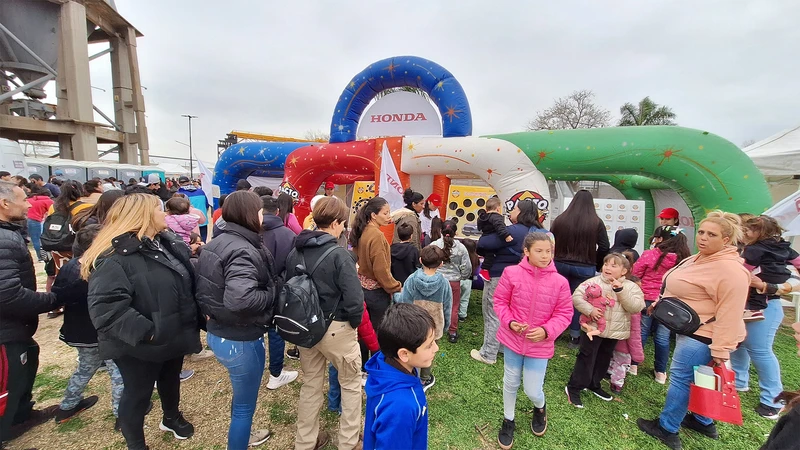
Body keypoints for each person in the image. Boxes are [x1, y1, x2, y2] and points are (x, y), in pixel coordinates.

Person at [83, 193, 202, 450]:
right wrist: (150, 333)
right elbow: (107, 310)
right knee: (137, 394)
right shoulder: (113, 258)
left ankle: (171, 417)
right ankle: (136, 444)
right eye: (160, 210)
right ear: (144, 216)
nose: (166, 214)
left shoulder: (164, 243)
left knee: (170, 379)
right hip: (140, 344)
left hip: (173, 333)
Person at [637, 211, 750, 450]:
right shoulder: (700, 258)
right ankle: (702, 420)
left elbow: (731, 313)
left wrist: (721, 350)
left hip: (704, 336)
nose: (704, 238)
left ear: (727, 240)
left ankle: (667, 428)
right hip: (692, 329)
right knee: (701, 379)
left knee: (681, 380)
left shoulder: (731, 271)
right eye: (701, 232)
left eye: (712, 234)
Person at [194, 190, 275, 449]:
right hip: (239, 338)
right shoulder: (242, 249)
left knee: (241, 399)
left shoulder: (218, 241)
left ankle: (243, 434)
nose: (263, 216)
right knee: (244, 407)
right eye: (260, 211)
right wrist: (273, 292)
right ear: (249, 214)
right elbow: (241, 300)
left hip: (219, 331)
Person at [287, 196, 364, 450]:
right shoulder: (340, 255)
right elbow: (355, 299)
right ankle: (349, 442)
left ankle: (305, 442)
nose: (343, 228)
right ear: (335, 223)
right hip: (337, 328)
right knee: (351, 385)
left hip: (306, 328)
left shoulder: (295, 251)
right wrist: (353, 324)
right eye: (343, 223)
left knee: (310, 384)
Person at [495, 232, 573, 447]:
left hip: (540, 345)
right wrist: (510, 322)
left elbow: (565, 314)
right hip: (512, 340)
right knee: (510, 382)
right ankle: (508, 419)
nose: (545, 255)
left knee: (532, 389)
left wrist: (547, 331)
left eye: (548, 251)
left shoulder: (560, 282)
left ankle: (540, 407)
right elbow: (500, 301)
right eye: (539, 251)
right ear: (526, 252)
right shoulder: (511, 273)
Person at [0, 180, 62, 446]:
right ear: (4, 204)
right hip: (6, 330)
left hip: (15, 327)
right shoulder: (3, 239)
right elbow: (7, 294)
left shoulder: (8, 233)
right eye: (23, 199)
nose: (28, 204)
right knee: (8, 382)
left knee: (25, 365)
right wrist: (55, 300)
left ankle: (21, 416)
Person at [53, 225, 124, 427]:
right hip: (102, 332)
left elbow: (58, 295)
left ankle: (67, 406)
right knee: (118, 372)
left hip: (79, 333)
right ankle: (123, 415)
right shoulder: (98, 269)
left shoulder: (69, 266)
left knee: (84, 368)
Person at [731, 215, 800, 419]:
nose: (744, 233)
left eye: (749, 230)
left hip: (765, 307)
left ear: (760, 232)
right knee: (739, 343)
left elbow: (741, 272)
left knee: (760, 351)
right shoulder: (782, 248)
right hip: (744, 305)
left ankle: (773, 399)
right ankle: (739, 381)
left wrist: (773, 285)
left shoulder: (754, 251)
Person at [471, 199, 548, 365]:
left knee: (493, 312)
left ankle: (488, 353)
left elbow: (483, 243)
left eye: (514, 209)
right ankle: (503, 346)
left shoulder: (512, 231)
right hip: (523, 279)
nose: (511, 212)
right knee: (510, 313)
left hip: (499, 276)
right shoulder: (539, 233)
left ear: (521, 212)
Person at [565, 253, 644, 407]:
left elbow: (636, 307)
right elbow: (576, 297)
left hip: (614, 330)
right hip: (592, 327)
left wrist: (621, 291)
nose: (607, 268)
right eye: (606, 264)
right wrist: (590, 310)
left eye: (613, 265)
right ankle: (574, 386)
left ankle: (594, 383)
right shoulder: (593, 282)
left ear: (624, 271)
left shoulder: (630, 287)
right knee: (587, 356)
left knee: (604, 357)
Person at [363, 303, 438, 450]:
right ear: (404, 354)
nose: (436, 348)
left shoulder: (385, 364)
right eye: (429, 345)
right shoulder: (401, 407)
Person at [550, 190, 610, 348]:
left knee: (557, 299)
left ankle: (553, 331)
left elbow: (551, 241)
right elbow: (605, 246)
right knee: (579, 301)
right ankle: (575, 335)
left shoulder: (560, 220)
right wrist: (596, 262)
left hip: (559, 264)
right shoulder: (596, 222)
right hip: (584, 266)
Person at [632, 226, 690, 384]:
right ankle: (660, 372)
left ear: (662, 239)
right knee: (663, 337)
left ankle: (633, 365)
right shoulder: (684, 260)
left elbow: (636, 273)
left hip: (646, 298)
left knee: (641, 332)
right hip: (670, 302)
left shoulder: (650, 255)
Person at [350, 197, 402, 368]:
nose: (389, 216)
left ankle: (364, 364)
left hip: (361, 287)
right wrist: (394, 286)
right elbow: (381, 270)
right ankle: (377, 366)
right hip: (377, 292)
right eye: (385, 213)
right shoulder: (377, 236)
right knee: (377, 332)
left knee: (363, 331)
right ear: (373, 215)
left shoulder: (362, 230)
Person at [397, 245, 452, 391]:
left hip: (413, 325)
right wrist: (445, 326)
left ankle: (411, 374)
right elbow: (448, 306)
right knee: (429, 350)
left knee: (413, 348)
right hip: (435, 325)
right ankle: (424, 379)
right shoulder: (445, 283)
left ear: (420, 260)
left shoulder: (411, 280)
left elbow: (404, 302)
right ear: (441, 264)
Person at [259, 196, 299, 390]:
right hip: (278, 289)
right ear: (277, 212)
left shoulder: (249, 231)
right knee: (275, 330)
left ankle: (257, 369)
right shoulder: (288, 235)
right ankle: (275, 373)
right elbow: (292, 267)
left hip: (251, 288)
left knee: (255, 330)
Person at [45, 180, 92, 306]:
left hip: (57, 246)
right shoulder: (84, 207)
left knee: (57, 274)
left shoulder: (54, 206)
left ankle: (54, 303)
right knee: (75, 275)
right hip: (74, 245)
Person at [430, 220, 472, 343]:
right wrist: (462, 276)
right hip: (454, 281)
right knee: (454, 307)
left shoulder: (434, 245)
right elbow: (466, 267)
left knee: (435, 304)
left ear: (441, 231)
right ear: (455, 232)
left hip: (437, 279)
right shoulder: (461, 248)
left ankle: (433, 329)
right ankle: (452, 332)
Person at [477, 196, 513, 281]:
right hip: (492, 239)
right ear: (498, 208)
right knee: (491, 256)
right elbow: (500, 227)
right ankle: (485, 270)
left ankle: (485, 270)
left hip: (484, 237)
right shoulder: (496, 217)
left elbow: (479, 227)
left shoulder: (482, 217)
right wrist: (506, 235)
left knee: (488, 255)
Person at [177, 175, 209, 241]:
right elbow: (207, 205)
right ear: (189, 182)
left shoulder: (179, 194)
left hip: (188, 223)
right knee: (203, 241)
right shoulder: (201, 191)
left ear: (179, 183)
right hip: (202, 220)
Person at [26, 186, 53, 262]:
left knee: (32, 239)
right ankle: (41, 257)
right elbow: (53, 211)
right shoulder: (47, 200)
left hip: (24, 219)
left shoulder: (30, 199)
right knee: (38, 239)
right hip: (35, 220)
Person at [390, 222, 420, 286]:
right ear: (411, 236)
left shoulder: (391, 248)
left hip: (395, 282)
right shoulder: (414, 250)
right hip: (410, 283)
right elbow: (417, 266)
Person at [459, 238, 480, 321]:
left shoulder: (460, 257)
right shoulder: (476, 258)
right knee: (465, 298)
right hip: (468, 280)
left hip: (459, 279)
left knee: (454, 298)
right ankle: (462, 315)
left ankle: (452, 313)